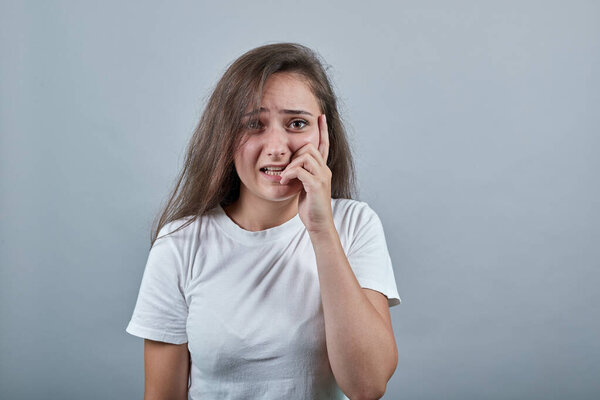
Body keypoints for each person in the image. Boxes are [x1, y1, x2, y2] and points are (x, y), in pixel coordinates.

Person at [125, 42, 401, 400]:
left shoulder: (354, 225)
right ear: (224, 136)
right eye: (254, 124)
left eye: (297, 123)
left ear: (323, 134)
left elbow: (368, 385)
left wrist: (321, 230)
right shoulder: (179, 243)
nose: (276, 146)